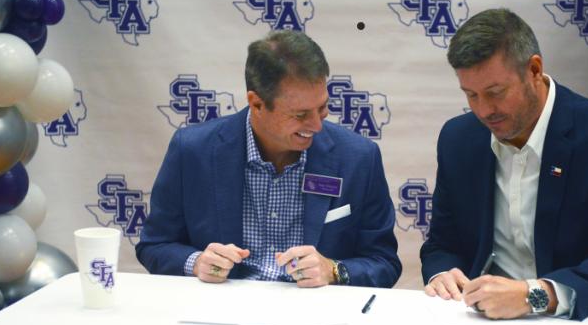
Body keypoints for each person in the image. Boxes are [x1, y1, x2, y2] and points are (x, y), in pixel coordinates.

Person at [420, 8, 588, 320]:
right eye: (471, 95)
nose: (484, 110)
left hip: (587, 323)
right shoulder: (459, 139)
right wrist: (443, 274)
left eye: (496, 93)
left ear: (534, 70)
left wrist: (535, 295)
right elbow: (442, 243)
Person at [136, 30, 401, 288]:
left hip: (316, 316)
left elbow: (384, 262)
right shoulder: (193, 151)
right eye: (300, 115)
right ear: (257, 104)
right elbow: (154, 245)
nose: (316, 126)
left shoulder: (357, 158)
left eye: (322, 108)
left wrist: (334, 270)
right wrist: (196, 263)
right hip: (221, 314)